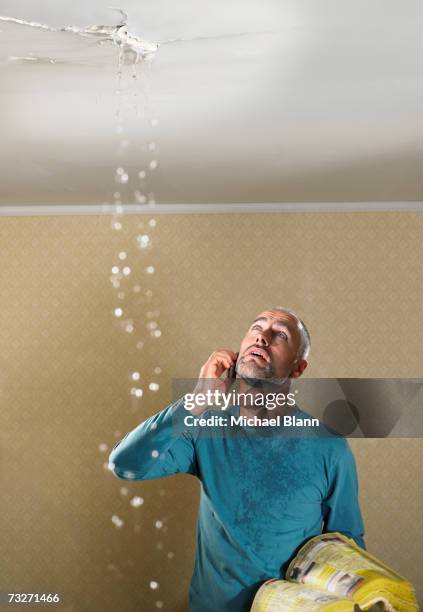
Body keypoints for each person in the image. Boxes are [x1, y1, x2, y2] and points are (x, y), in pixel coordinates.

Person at [108, 307, 366, 611]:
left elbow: (347, 548)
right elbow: (125, 465)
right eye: (256, 326)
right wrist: (195, 400)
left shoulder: (330, 448)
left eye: (279, 334)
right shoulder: (205, 432)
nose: (262, 335)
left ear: (298, 368)